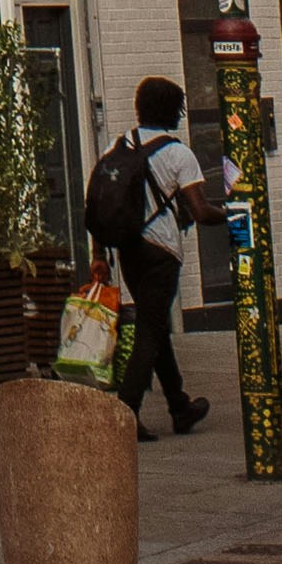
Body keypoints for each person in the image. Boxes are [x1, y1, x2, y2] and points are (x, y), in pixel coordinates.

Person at [85, 73, 214, 438]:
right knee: (150, 330)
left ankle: (179, 406)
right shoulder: (178, 153)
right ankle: (125, 412)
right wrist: (237, 213)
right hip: (161, 253)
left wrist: (99, 255)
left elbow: (100, 203)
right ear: (172, 110)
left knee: (153, 326)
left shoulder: (120, 145)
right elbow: (201, 211)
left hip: (128, 250)